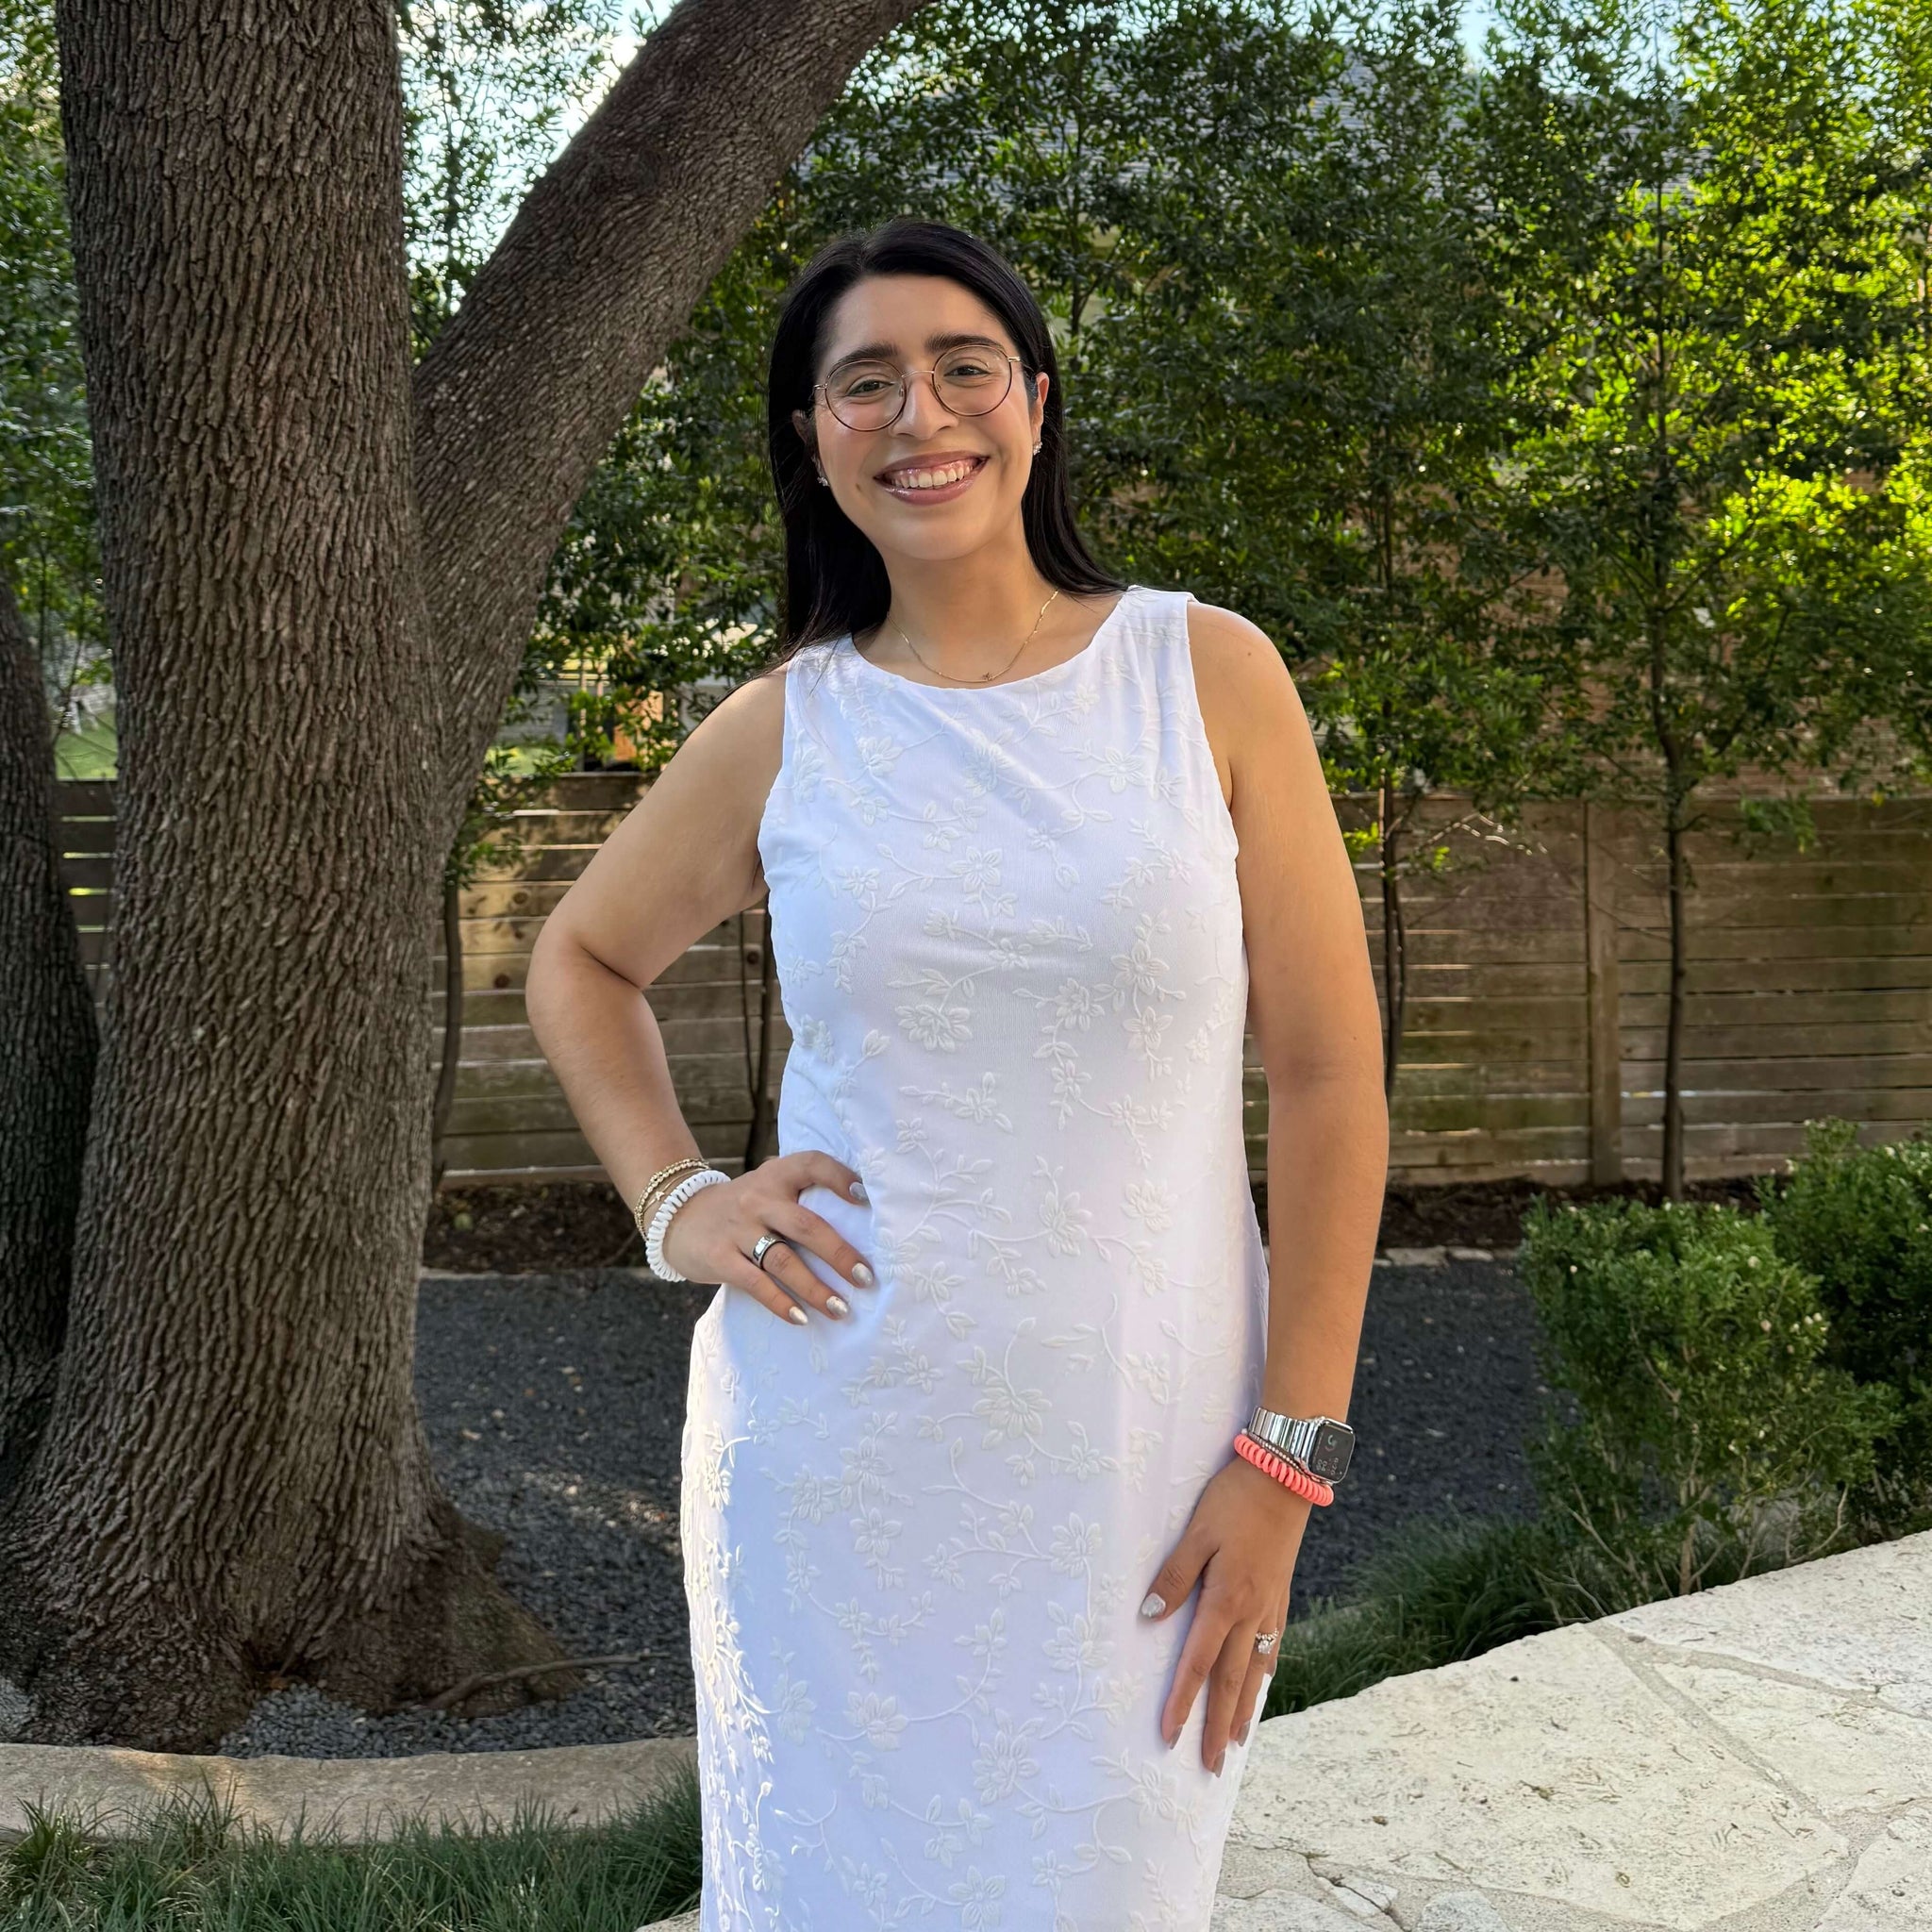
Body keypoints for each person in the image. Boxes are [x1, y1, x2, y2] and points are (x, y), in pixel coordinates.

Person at [526, 216, 1388, 1932]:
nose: (920, 414)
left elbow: (1327, 1077)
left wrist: (1288, 1459)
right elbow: (582, 962)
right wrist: (679, 1201)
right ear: (814, 442)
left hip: (1146, 1464)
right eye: (865, 383)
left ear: (1037, 403)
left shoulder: (1205, 675)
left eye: (961, 366)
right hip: (835, 1461)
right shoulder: (789, 726)